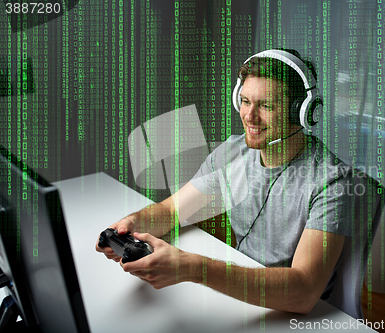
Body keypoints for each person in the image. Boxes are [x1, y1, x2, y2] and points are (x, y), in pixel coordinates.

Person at [96, 49, 355, 314]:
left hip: (291, 313)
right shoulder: (233, 151)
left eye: (266, 105)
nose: (249, 116)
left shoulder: (332, 182)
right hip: (240, 293)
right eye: (244, 101)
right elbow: (172, 211)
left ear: (302, 112)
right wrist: (130, 225)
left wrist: (194, 268)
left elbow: (303, 292)